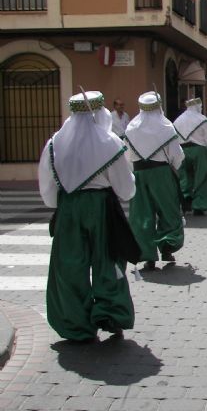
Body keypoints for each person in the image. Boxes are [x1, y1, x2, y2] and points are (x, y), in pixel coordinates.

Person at [38, 91, 137, 341]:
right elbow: (126, 189)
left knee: (70, 265)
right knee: (108, 261)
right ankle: (110, 314)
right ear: (100, 111)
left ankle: (75, 323)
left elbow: (48, 190)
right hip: (102, 207)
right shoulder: (111, 143)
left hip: (69, 208)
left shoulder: (54, 145)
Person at [124, 91, 185, 271]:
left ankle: (147, 254)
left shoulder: (131, 128)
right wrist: (174, 166)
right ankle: (167, 247)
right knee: (169, 210)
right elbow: (177, 155)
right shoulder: (166, 127)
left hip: (140, 173)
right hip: (162, 173)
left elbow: (127, 156)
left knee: (142, 214)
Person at [173, 97, 207, 215]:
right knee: (202, 177)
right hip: (199, 150)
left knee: (184, 177)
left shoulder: (178, 120)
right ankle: (199, 205)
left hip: (182, 150)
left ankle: (185, 200)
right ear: (198, 106)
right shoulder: (202, 119)